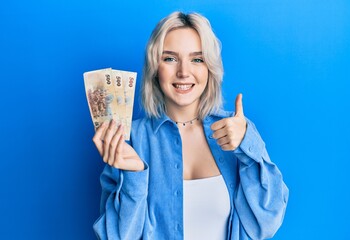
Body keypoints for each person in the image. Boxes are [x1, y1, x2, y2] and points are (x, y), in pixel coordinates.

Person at [92, 11, 289, 240]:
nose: (184, 72)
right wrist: (134, 176)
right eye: (170, 58)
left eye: (197, 59)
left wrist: (247, 147)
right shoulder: (129, 140)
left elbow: (268, 221)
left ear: (210, 68)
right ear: (155, 68)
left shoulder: (237, 130)